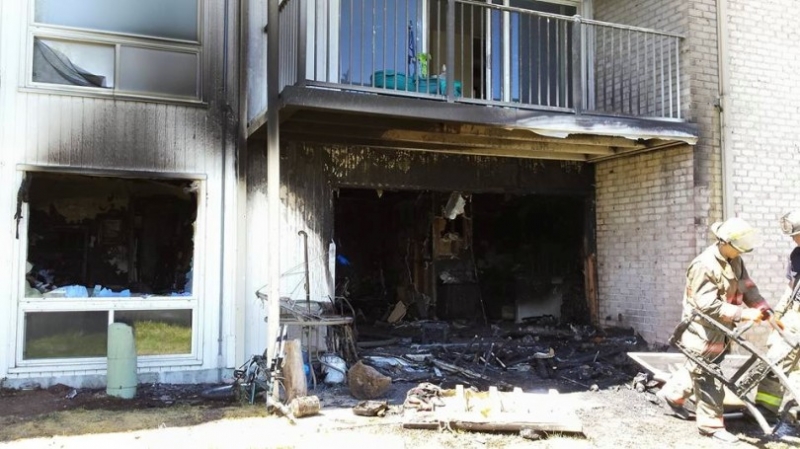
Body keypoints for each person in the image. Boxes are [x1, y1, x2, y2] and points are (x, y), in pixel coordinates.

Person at [657, 217, 772, 443]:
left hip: (721, 328)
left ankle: (671, 395)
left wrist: (762, 307)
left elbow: (746, 286)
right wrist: (743, 314)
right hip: (702, 329)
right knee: (708, 373)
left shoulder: (735, 259)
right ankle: (711, 427)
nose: (741, 251)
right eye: (738, 246)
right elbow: (706, 304)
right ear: (724, 241)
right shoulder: (703, 265)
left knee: (700, 367)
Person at [754, 212, 800, 418]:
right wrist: (778, 316)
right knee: (775, 357)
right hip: (794, 315)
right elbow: (790, 289)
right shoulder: (796, 255)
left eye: (795, 234)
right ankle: (766, 407)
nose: (793, 239)